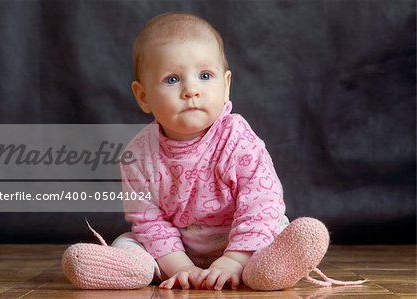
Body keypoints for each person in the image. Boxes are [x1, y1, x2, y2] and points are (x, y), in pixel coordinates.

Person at [62, 12, 366, 291]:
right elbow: (148, 219)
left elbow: (260, 204)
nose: (191, 90)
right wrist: (181, 267)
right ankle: (135, 269)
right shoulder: (139, 154)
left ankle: (263, 270)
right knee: (130, 240)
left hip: (244, 238)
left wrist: (233, 259)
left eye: (205, 75)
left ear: (226, 85)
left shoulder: (237, 139)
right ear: (143, 97)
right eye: (172, 79)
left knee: (276, 226)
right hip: (177, 249)